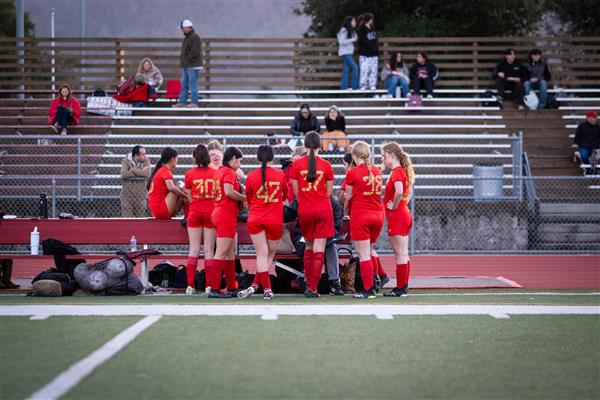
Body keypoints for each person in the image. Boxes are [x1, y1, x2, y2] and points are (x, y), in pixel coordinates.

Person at [237, 145, 287, 300]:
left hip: (256, 218)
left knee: (262, 254)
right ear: (272, 157)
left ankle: (261, 287)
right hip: (274, 219)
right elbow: (284, 196)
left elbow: (249, 199)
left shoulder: (251, 176)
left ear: (258, 158)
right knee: (268, 254)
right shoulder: (280, 174)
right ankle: (263, 287)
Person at [290, 131, 334, 298]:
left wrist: (307, 202)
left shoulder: (296, 165)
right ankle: (313, 288)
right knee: (319, 249)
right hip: (322, 209)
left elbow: (295, 192)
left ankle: (308, 283)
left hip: (305, 210)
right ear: (319, 145)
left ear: (305, 145)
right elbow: (329, 193)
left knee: (308, 247)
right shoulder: (326, 165)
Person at [343, 141, 384, 298]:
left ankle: (369, 289)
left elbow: (348, 197)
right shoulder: (377, 171)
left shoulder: (352, 172)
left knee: (364, 254)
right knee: (370, 251)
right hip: (378, 215)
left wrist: (345, 211)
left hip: (362, 215)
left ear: (354, 155)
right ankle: (375, 282)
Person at [209, 146, 246, 298]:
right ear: (233, 159)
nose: (240, 164)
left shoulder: (220, 171)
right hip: (225, 214)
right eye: (239, 161)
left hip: (221, 212)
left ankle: (231, 287)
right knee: (221, 252)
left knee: (230, 254)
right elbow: (229, 191)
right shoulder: (229, 172)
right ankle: (214, 288)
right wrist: (245, 198)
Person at [380, 142, 415, 297]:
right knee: (404, 254)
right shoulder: (400, 171)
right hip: (403, 214)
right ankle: (403, 286)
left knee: (400, 254)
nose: (382, 159)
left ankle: (400, 288)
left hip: (398, 216)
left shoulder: (396, 172)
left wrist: (394, 205)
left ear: (392, 155)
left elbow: (400, 191)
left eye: (384, 156)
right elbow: (408, 191)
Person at [183, 144, 216, 295]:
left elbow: (189, 197)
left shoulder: (189, 173)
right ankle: (209, 285)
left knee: (194, 249)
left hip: (195, 211)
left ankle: (190, 285)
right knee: (209, 250)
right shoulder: (215, 172)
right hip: (211, 212)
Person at [147, 147, 188, 219]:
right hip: (160, 210)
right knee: (179, 187)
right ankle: (189, 215)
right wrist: (185, 196)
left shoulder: (161, 170)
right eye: (177, 158)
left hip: (157, 210)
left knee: (179, 187)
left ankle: (186, 215)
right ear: (172, 159)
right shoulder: (165, 171)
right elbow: (171, 187)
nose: (177, 160)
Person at [174, 19, 203, 108]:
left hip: (192, 66)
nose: (181, 30)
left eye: (182, 28)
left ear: (188, 28)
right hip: (187, 65)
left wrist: (187, 60)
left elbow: (194, 52)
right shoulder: (188, 37)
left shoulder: (195, 37)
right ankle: (182, 102)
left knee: (192, 84)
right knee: (184, 84)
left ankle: (194, 103)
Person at [120, 145, 151, 217]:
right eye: (143, 154)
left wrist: (133, 170)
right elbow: (124, 174)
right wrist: (141, 172)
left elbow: (147, 173)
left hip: (141, 196)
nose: (145, 156)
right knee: (127, 222)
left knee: (139, 221)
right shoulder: (126, 160)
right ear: (136, 156)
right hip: (127, 196)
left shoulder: (146, 160)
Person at [357, 13, 378, 91]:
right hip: (364, 54)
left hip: (374, 53)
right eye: (371, 19)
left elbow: (375, 39)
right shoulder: (361, 29)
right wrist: (371, 46)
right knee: (364, 70)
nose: (372, 21)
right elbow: (363, 41)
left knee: (373, 70)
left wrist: (375, 47)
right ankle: (363, 85)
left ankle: (372, 84)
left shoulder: (372, 28)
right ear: (368, 20)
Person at [337, 16, 358, 90]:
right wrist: (352, 39)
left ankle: (344, 87)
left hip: (348, 53)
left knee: (346, 70)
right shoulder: (344, 31)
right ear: (349, 22)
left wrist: (353, 38)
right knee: (355, 68)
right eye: (353, 21)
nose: (355, 22)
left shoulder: (351, 31)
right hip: (345, 53)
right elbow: (341, 41)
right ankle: (355, 87)